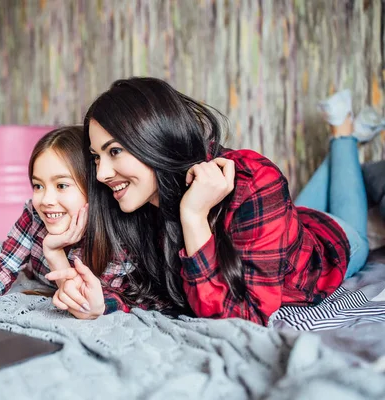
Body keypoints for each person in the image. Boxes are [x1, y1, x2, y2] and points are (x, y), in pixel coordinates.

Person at [46, 78, 381, 326]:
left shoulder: (254, 179)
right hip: (278, 227)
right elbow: (145, 292)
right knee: (298, 208)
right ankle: (344, 135)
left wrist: (193, 215)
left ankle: (344, 132)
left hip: (330, 244)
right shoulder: (135, 202)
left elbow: (239, 316)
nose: (102, 174)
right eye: (96, 157)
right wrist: (100, 304)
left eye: (115, 151)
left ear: (153, 138)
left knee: (354, 229)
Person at [0, 126, 131, 319]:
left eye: (61, 185)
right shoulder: (34, 215)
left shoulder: (117, 234)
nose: (46, 200)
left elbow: (86, 304)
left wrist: (54, 253)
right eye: (38, 186)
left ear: (93, 188)